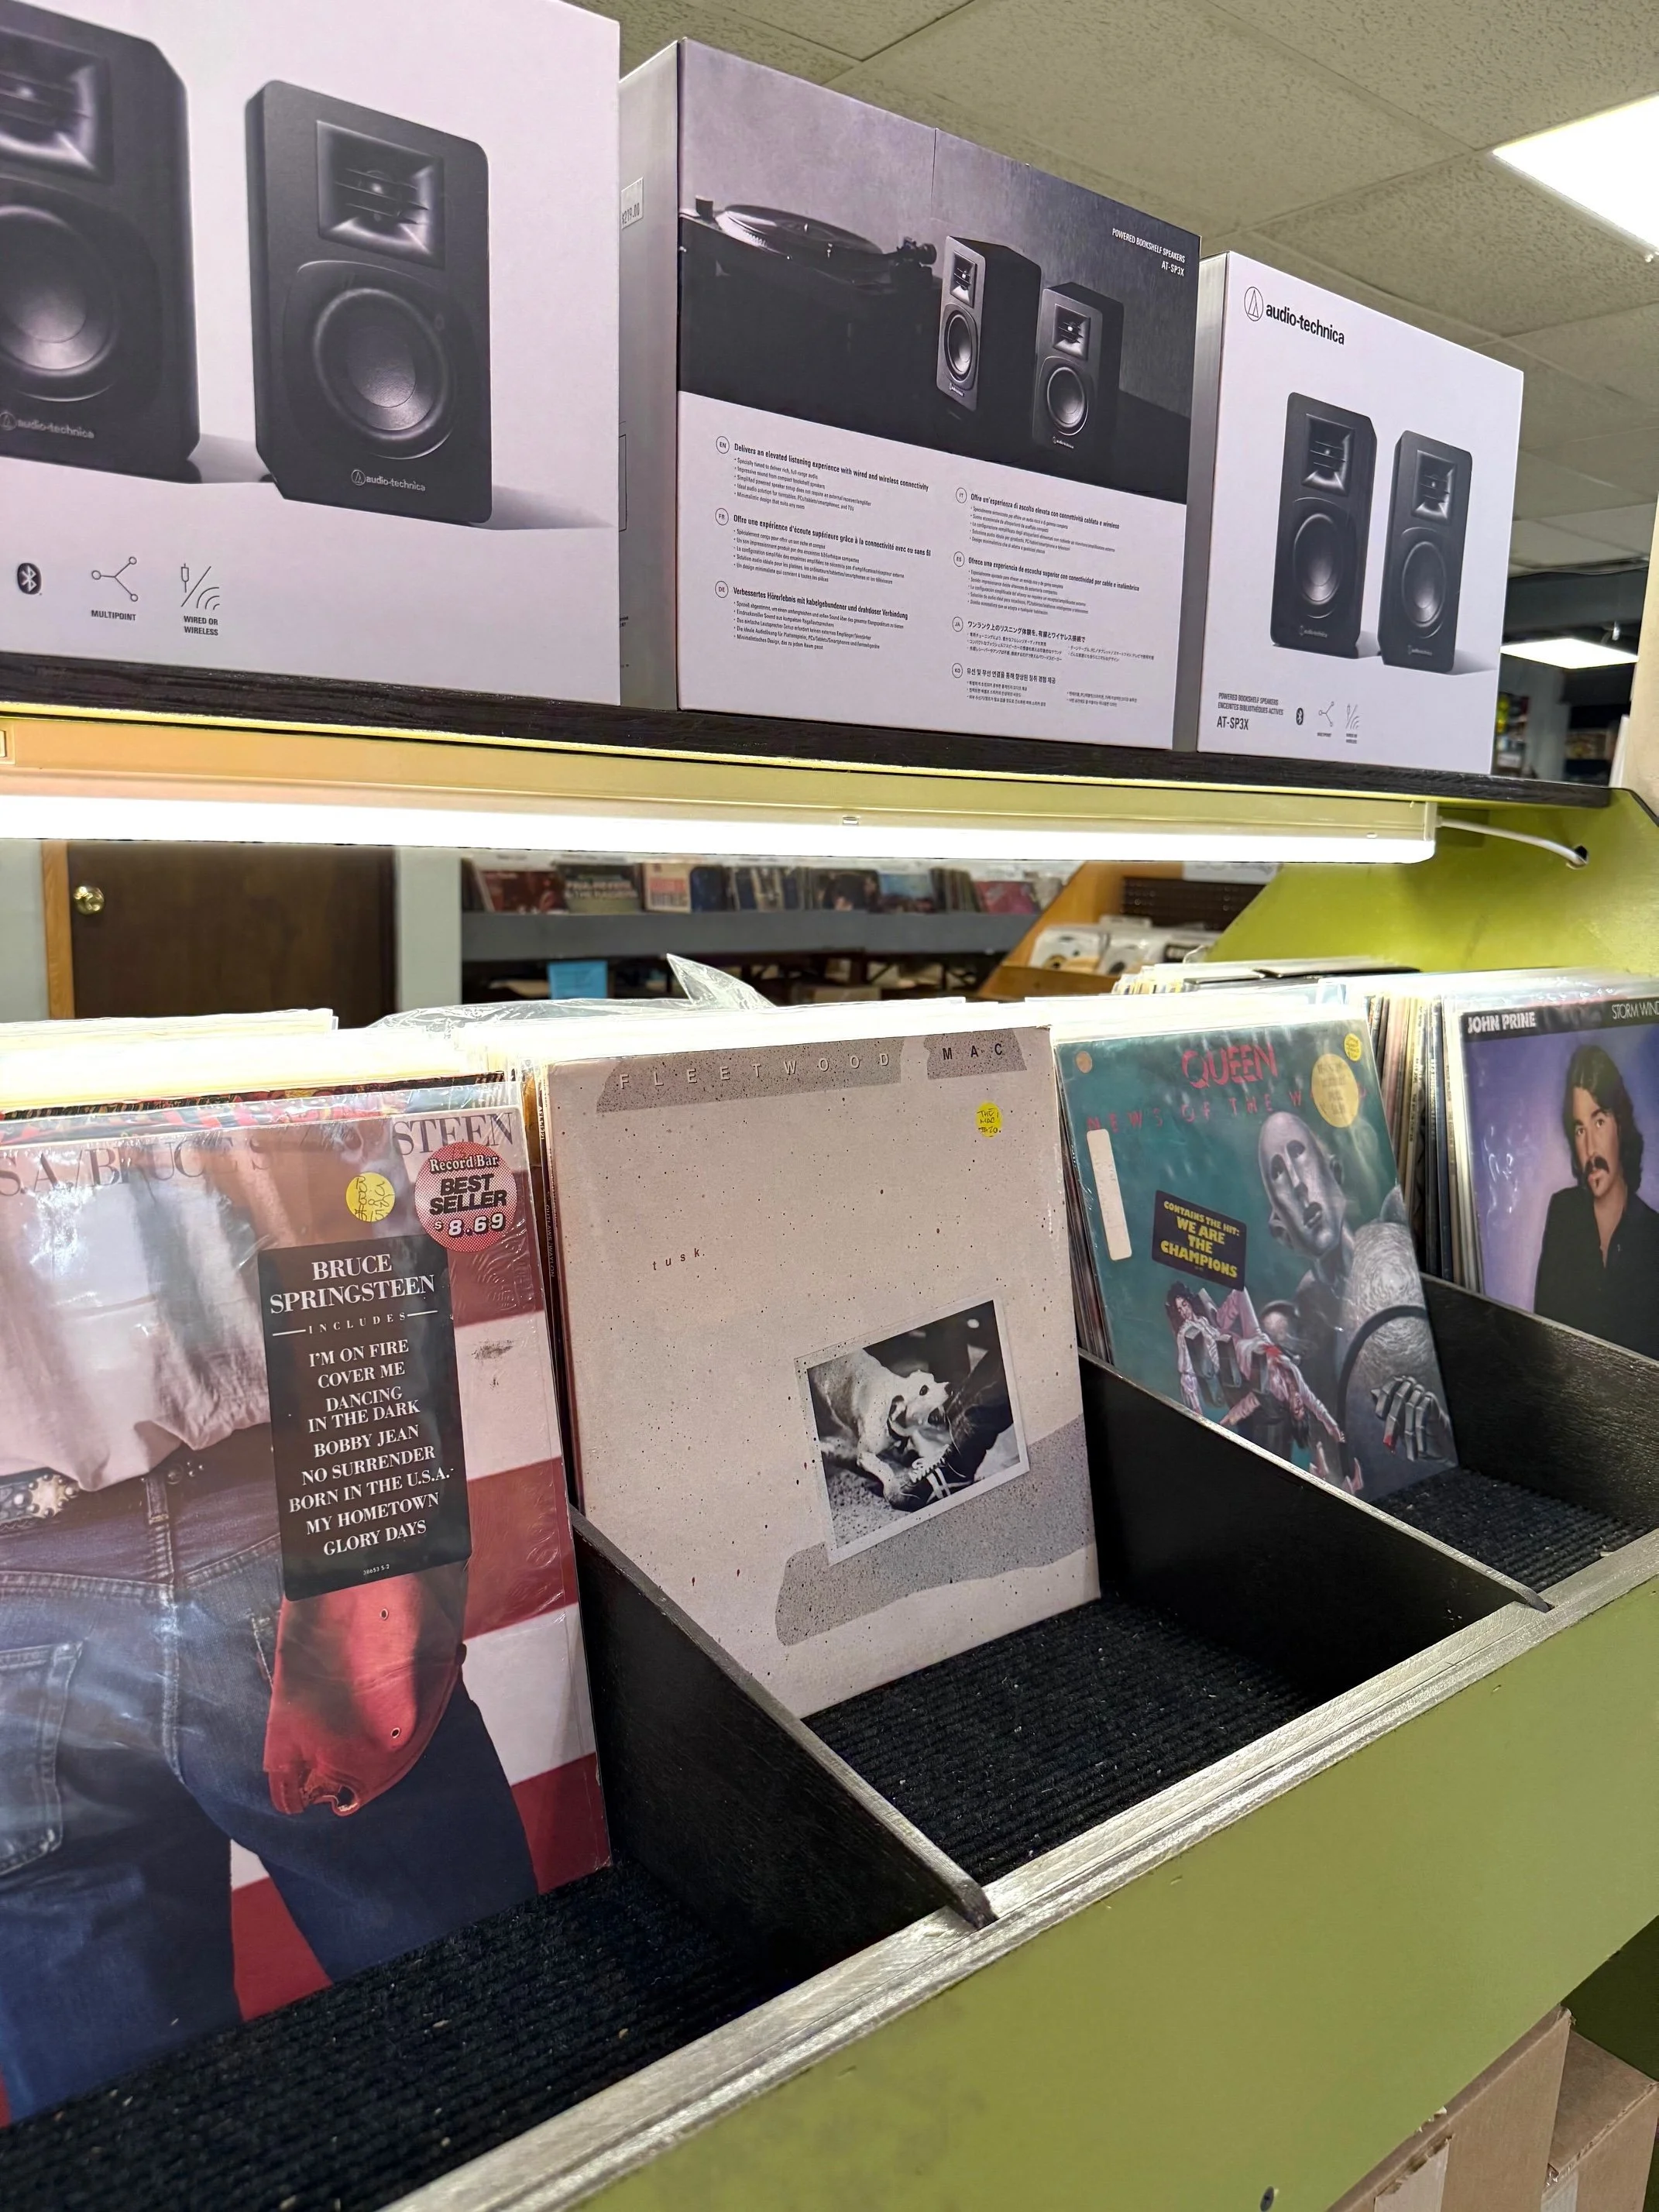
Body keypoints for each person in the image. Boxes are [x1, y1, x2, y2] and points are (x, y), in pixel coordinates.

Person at [1255, 1109, 1452, 1496]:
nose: (1297, 1184)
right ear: (1280, 1229)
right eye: (1278, 1172)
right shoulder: (1299, 1329)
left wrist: (1440, 1432)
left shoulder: (1397, 1224)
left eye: (1298, 1153)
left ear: (1334, 1172)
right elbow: (1332, 1464)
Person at [1534, 1042, 1659, 1358]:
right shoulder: (1563, 1214)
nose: (1589, 1149)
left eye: (1599, 1121)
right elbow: (1545, 1340)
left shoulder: (1653, 1235)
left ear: (1621, 1125)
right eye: (1580, 1130)